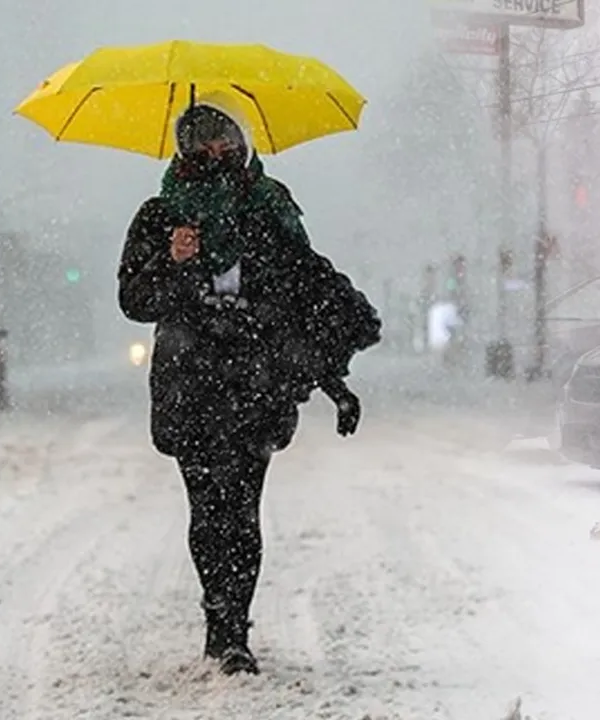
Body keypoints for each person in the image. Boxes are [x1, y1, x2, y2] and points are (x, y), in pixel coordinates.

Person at [118, 95, 381, 675]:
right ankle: (219, 622)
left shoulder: (270, 207)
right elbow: (135, 301)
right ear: (185, 150)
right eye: (204, 143)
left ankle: (234, 633)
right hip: (190, 384)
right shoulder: (160, 216)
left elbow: (305, 293)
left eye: (227, 141)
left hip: (255, 383)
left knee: (242, 510)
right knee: (207, 510)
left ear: (242, 144)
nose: (219, 152)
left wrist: (332, 376)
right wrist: (176, 262)